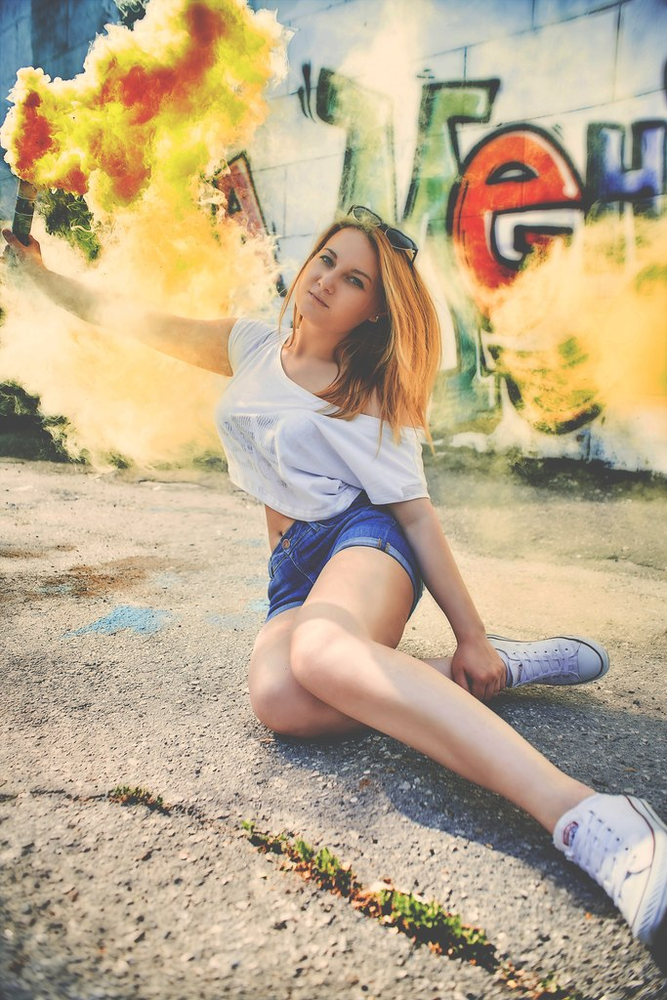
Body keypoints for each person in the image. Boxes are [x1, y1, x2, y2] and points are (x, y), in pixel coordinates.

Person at [3, 206, 666, 953]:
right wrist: (42, 276)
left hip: (366, 538)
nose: (327, 281)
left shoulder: (368, 394)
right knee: (281, 700)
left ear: (374, 309)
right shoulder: (251, 346)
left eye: (354, 280)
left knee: (321, 653)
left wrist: (470, 630)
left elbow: (416, 518)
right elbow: (132, 320)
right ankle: (481, 672)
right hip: (292, 571)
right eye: (327, 260)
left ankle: (590, 816)